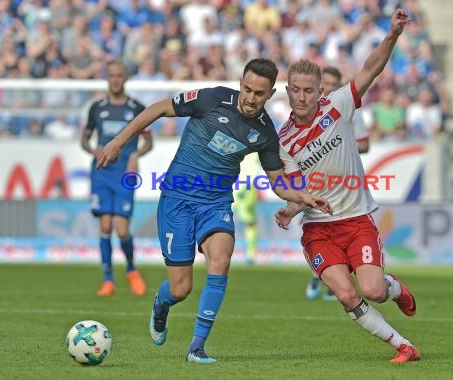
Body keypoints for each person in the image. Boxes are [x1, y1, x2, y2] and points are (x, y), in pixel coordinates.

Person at [96, 58, 332, 364]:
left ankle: (197, 346)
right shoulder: (211, 99)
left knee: (220, 260)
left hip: (216, 202)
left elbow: (277, 182)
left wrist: (302, 197)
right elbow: (158, 109)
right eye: (246, 89)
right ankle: (161, 305)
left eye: (259, 93)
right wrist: (117, 142)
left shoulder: (265, 133)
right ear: (240, 84)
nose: (250, 97)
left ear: (270, 94)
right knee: (181, 288)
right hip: (177, 199)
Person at [275, 10, 421, 363]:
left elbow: (370, 69)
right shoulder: (284, 141)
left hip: (356, 220)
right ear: (288, 91)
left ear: (320, 91)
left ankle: (395, 288)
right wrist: (291, 208)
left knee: (373, 289)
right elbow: (296, 190)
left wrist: (392, 36)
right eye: (295, 90)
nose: (302, 97)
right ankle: (404, 346)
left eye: (308, 90)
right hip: (318, 230)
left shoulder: (339, 105)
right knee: (345, 295)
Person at [80, 59, 153, 297]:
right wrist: (94, 150)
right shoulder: (96, 108)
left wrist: (135, 155)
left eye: (119, 75)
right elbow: (84, 139)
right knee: (105, 225)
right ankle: (108, 279)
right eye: (111, 75)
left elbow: (148, 143)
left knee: (122, 230)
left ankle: (132, 270)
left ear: (126, 78)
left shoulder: (137, 108)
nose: (115, 80)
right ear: (106, 77)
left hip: (124, 173)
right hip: (102, 171)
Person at [305, 65, 370, 302]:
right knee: (317, 228)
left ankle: (333, 283)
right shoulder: (309, 113)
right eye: (327, 84)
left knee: (343, 228)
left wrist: (341, 143)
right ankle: (318, 272)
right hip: (315, 182)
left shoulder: (349, 110)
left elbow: (365, 144)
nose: (330, 89)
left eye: (334, 85)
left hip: (343, 182)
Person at [232, 152, 260, 265]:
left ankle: (251, 254)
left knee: (249, 221)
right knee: (218, 217)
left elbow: (255, 168)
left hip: (247, 185)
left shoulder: (256, 143)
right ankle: (210, 251)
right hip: (231, 182)